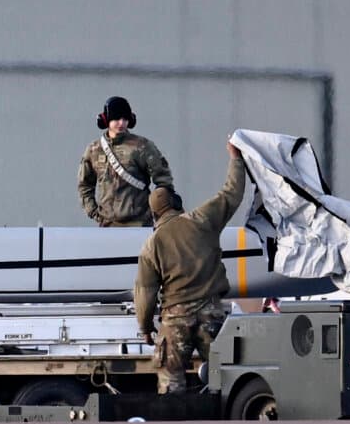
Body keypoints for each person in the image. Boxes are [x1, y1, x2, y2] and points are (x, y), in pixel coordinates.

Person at [134, 141, 245, 394]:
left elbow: (145, 292)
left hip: (175, 320)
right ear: (176, 203)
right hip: (211, 315)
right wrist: (236, 159)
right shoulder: (202, 220)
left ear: (154, 215)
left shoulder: (152, 245)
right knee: (225, 379)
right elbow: (231, 194)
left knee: (171, 384)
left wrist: (145, 328)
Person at [77, 96, 173, 227]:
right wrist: (94, 213)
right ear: (106, 120)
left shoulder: (142, 147)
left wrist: (159, 211)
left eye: (125, 119)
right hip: (107, 225)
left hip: (139, 224)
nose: (121, 123)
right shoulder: (94, 150)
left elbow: (164, 181)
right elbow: (85, 185)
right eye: (116, 118)